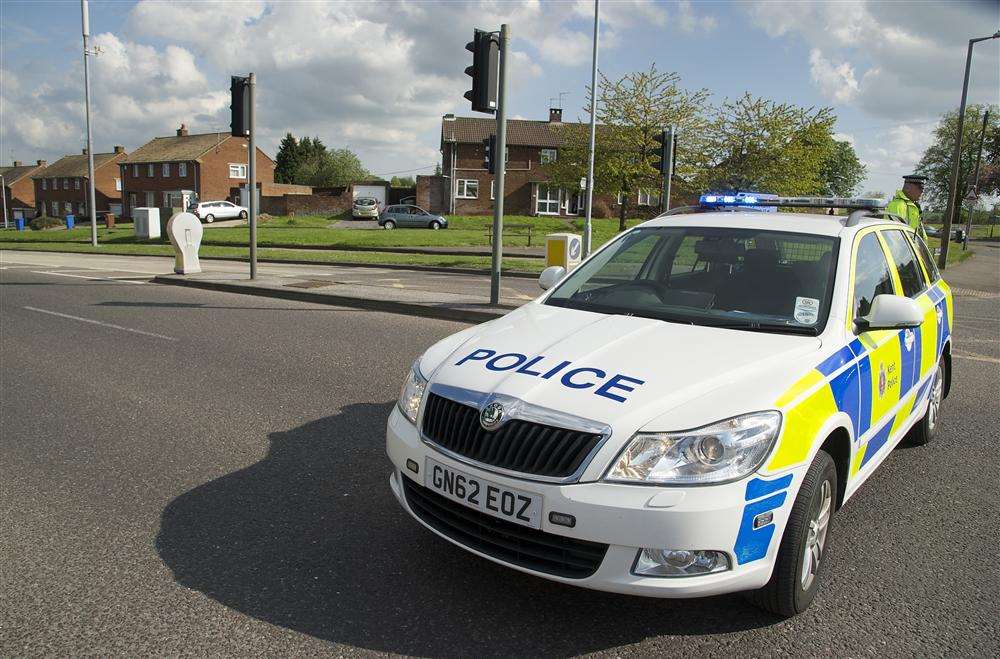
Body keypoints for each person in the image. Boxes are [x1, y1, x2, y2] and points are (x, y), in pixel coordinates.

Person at [886, 174, 928, 241]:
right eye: (920, 188)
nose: (922, 191)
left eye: (923, 189)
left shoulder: (913, 206)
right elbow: (895, 237)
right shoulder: (898, 205)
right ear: (908, 188)